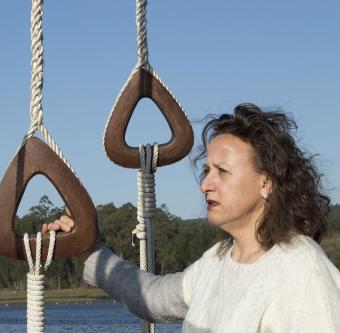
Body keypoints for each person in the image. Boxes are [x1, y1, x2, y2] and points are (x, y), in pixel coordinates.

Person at [42, 103, 340, 332]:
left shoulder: (301, 269)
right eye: (207, 170)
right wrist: (88, 251)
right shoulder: (217, 261)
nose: (206, 184)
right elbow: (152, 297)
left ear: (266, 183)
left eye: (223, 171)